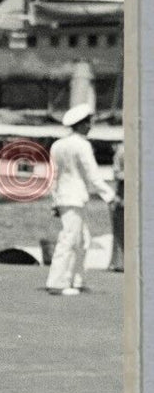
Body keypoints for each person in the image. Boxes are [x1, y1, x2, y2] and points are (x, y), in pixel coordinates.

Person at [45, 103, 118, 295]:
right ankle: (57, 282)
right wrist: (110, 196)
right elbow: (93, 175)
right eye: (88, 122)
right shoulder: (83, 145)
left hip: (64, 197)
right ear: (81, 125)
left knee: (83, 239)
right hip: (75, 197)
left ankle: (76, 279)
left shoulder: (57, 145)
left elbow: (53, 176)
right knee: (69, 239)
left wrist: (55, 200)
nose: (90, 125)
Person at [109, 141, 125, 273]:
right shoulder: (122, 150)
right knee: (120, 231)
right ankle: (119, 262)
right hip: (123, 195)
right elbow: (116, 173)